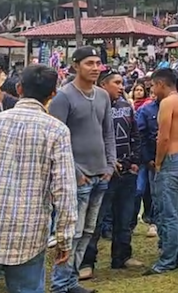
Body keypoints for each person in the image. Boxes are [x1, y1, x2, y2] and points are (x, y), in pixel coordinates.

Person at [0, 65, 77, 293]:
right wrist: (64, 239)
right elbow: (64, 190)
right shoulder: (57, 130)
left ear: (19, 88)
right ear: (53, 94)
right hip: (28, 233)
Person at [49, 47, 115, 293]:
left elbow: (107, 132)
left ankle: (71, 282)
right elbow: (58, 140)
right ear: (76, 65)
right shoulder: (64, 97)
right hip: (78, 177)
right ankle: (60, 284)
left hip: (101, 174)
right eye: (89, 63)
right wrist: (76, 172)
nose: (96, 68)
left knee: (88, 232)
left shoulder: (102, 95)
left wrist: (110, 165)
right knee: (71, 233)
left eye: (98, 63)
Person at [80, 70, 143, 278]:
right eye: (117, 83)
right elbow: (88, 139)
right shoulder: (93, 107)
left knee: (125, 217)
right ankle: (87, 262)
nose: (122, 86)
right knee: (95, 221)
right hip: (102, 173)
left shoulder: (126, 106)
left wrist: (134, 161)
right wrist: (107, 162)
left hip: (127, 171)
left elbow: (135, 134)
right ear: (103, 84)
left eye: (122, 82)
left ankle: (122, 257)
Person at [145, 69, 178, 275]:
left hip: (171, 160)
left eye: (153, 86)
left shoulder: (167, 103)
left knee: (168, 213)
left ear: (161, 84)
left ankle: (167, 259)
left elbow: (163, 137)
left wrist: (158, 162)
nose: (152, 90)